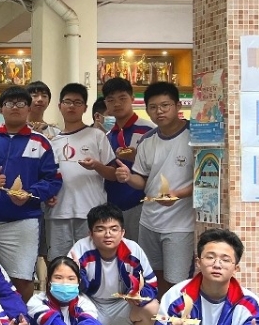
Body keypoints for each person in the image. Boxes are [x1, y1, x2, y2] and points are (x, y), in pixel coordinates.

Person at [0, 85, 63, 302]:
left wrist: (30, 194)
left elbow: (53, 179)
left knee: (22, 279)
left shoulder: (41, 143)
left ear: (28, 109)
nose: (15, 107)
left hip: (23, 220)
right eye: (9, 103)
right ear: (1, 109)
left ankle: (20, 318)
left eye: (21, 103)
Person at [113, 81, 193, 295]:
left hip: (181, 225)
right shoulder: (148, 140)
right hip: (149, 221)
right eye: (153, 107)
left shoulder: (194, 135)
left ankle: (175, 315)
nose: (159, 111)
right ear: (147, 109)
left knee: (177, 282)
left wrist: (178, 194)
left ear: (178, 106)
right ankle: (159, 314)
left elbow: (206, 180)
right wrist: (128, 177)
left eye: (165, 105)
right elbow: (143, 181)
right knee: (152, 277)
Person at [69, 204, 159, 325]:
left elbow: (152, 285)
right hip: (91, 304)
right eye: (100, 229)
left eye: (114, 229)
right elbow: (68, 289)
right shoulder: (80, 249)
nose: (108, 234)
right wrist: (76, 276)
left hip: (121, 305)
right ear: (90, 233)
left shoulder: (133, 249)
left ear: (122, 232)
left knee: (152, 306)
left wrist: (139, 295)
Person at [48, 83, 117, 260]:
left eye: (77, 102)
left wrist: (97, 166)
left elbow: (113, 174)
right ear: (60, 106)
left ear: (85, 108)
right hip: (58, 212)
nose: (72, 106)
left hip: (92, 211)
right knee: (59, 263)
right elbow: (46, 177)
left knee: (92, 263)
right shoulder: (52, 142)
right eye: (67, 102)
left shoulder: (97, 135)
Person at [101, 77, 153, 242]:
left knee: (139, 253)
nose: (117, 104)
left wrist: (136, 157)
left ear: (132, 98)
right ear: (106, 104)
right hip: (113, 208)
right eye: (111, 100)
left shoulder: (149, 130)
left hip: (140, 205)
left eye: (122, 98)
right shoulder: (108, 136)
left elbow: (161, 166)